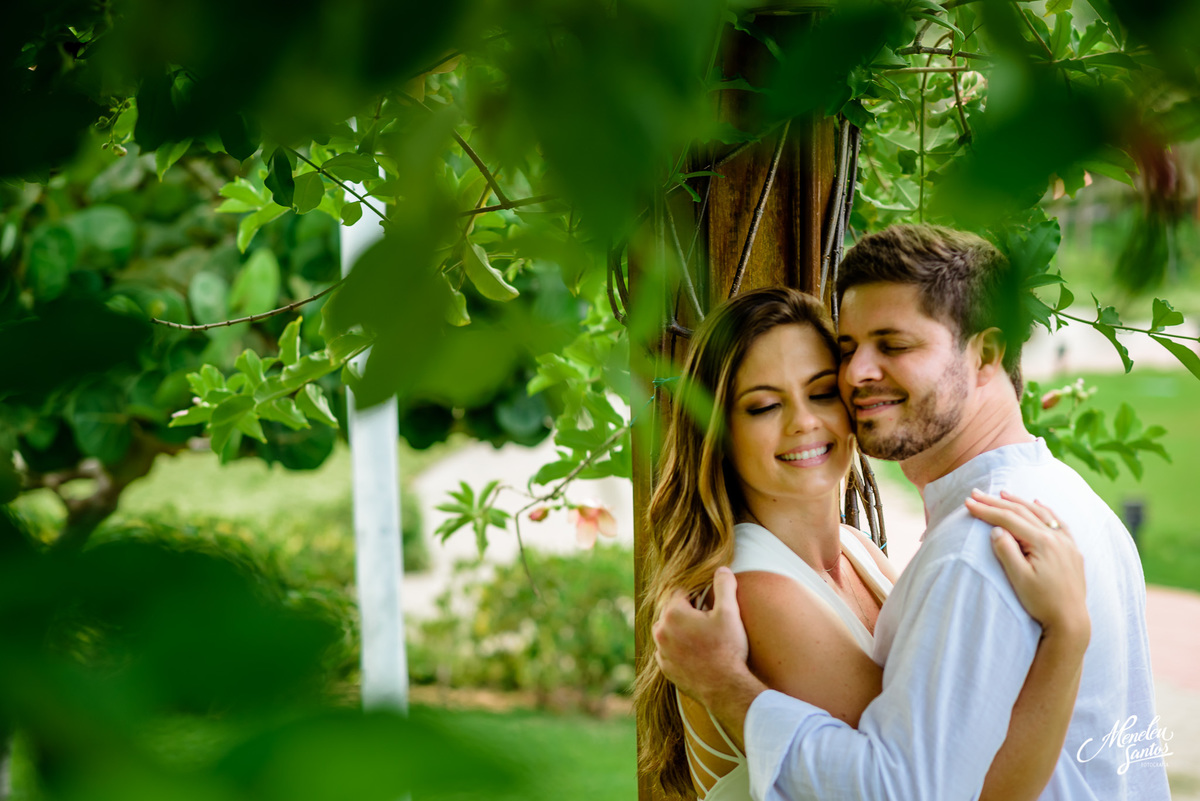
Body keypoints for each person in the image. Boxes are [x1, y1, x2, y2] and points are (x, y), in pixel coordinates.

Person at [651, 225, 1170, 800]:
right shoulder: (1071, 503)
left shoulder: (956, 548)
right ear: (718, 432)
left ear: (987, 353)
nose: (856, 376)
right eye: (766, 405)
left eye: (892, 346)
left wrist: (725, 686)